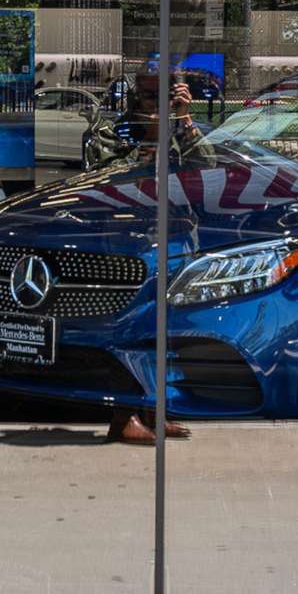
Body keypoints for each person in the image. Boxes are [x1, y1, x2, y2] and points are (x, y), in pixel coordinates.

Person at [105, 69, 197, 448]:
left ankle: (156, 412)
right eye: (149, 99)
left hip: (171, 239)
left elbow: (205, 161)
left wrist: (185, 118)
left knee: (167, 330)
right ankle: (123, 416)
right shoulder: (119, 132)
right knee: (132, 330)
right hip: (127, 244)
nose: (157, 107)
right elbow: (109, 174)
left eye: (164, 98)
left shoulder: (176, 129)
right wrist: (152, 134)